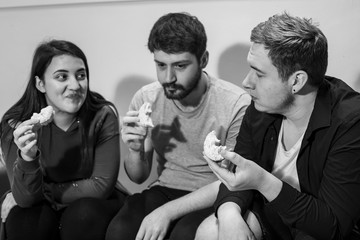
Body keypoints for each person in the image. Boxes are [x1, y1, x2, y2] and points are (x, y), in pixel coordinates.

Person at [195, 12, 360, 240]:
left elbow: (332, 227)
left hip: (319, 228)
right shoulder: (262, 106)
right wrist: (229, 213)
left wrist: (262, 180)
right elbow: (239, 172)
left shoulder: (350, 123)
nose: (246, 82)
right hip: (274, 216)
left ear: (296, 81)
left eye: (259, 74)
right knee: (210, 230)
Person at [106, 12, 251, 240]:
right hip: (164, 188)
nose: (168, 77)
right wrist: (134, 151)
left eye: (180, 66)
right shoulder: (147, 98)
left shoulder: (236, 104)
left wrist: (165, 213)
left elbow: (232, 183)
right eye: (161, 65)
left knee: (183, 235)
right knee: (120, 231)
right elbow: (138, 177)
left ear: (203, 60)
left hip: (214, 193)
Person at [0, 39, 128, 240]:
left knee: (83, 215)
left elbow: (101, 185)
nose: (75, 85)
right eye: (62, 77)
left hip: (92, 204)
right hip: (40, 204)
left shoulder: (102, 116)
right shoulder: (16, 124)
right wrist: (27, 156)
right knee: (23, 219)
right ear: (40, 84)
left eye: (81, 75)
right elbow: (25, 199)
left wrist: (44, 191)